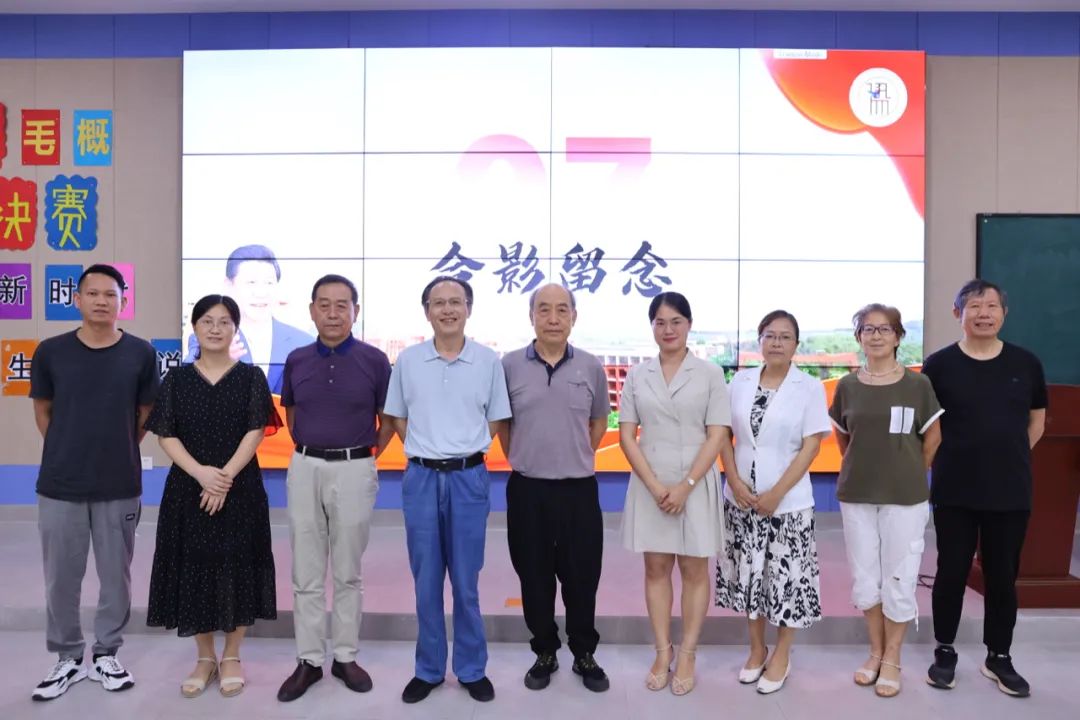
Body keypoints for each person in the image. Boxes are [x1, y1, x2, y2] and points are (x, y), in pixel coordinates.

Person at [29, 264, 159, 701]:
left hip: (119, 483)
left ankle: (106, 653)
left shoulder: (140, 353)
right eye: (93, 293)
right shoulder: (51, 351)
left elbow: (144, 414)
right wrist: (68, 447)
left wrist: (115, 447)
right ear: (77, 299)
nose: (102, 301)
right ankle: (67, 656)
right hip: (59, 484)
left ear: (123, 301)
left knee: (115, 576)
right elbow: (43, 411)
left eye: (111, 294)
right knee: (60, 578)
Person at [383, 275, 512, 704]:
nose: (447, 309)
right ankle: (429, 669)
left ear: (468, 309)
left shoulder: (487, 361)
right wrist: (428, 450)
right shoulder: (409, 361)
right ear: (427, 312)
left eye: (456, 301)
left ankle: (472, 669)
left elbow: (496, 419)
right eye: (438, 303)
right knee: (426, 581)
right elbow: (397, 417)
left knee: (466, 581)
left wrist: (462, 450)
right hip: (421, 478)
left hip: (468, 479)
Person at [144, 294, 280, 698]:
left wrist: (224, 478)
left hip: (240, 488)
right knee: (194, 567)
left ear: (235, 328)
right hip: (188, 487)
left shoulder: (251, 377)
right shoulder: (177, 380)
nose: (215, 329)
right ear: (195, 328)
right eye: (207, 321)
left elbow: (256, 429)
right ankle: (204, 657)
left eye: (224, 322)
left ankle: (232, 654)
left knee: (239, 565)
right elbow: (165, 434)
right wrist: (202, 474)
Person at [922, 280, 1046, 698]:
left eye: (992, 306)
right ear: (958, 314)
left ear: (1004, 314)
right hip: (954, 487)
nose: (984, 313)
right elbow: (929, 426)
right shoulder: (939, 365)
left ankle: (999, 656)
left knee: (1002, 575)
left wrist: (1010, 455)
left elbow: (1037, 420)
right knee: (951, 571)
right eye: (974, 306)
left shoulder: (1026, 362)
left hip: (1010, 489)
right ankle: (944, 651)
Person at [276, 274, 393, 702]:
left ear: (355, 312)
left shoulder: (375, 360)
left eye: (342, 305)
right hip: (305, 466)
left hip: (354, 468)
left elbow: (388, 421)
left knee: (348, 571)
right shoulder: (296, 359)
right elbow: (292, 415)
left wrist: (362, 456)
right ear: (311, 311)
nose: (332, 313)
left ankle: (345, 657)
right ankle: (309, 660)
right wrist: (313, 450)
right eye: (323, 305)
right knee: (305, 572)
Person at [497, 284, 611, 693]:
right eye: (543, 310)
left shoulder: (591, 366)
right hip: (528, 490)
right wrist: (528, 458)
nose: (553, 318)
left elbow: (599, 422)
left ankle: (583, 652)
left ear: (573, 318)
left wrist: (572, 456)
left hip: (579, 490)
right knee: (534, 575)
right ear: (531, 317)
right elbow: (504, 426)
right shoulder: (509, 365)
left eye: (562, 310)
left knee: (583, 577)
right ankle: (544, 651)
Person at [619, 291, 729, 697]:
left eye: (676, 321)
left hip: (695, 482)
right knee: (656, 568)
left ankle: (688, 653)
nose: (668, 330)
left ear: (689, 325)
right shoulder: (638, 375)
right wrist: (654, 486)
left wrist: (686, 486)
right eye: (660, 322)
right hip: (651, 480)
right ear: (652, 327)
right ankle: (662, 651)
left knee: (695, 570)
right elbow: (627, 435)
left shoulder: (710, 374)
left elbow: (717, 434)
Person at [830, 304, 943, 699]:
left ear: (897, 336)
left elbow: (933, 438)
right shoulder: (847, 386)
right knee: (865, 579)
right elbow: (844, 438)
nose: (875, 335)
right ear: (858, 337)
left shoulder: (917, 385)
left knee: (899, 576)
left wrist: (908, 471)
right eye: (867, 329)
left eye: (884, 329)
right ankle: (875, 652)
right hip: (857, 495)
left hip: (905, 498)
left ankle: (893, 657)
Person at [715, 310, 830, 695]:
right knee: (749, 576)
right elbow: (723, 435)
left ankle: (782, 653)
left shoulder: (809, 388)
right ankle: (755, 649)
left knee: (786, 580)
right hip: (742, 501)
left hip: (788, 504)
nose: (776, 342)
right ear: (759, 340)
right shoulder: (740, 382)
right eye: (770, 335)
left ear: (796, 344)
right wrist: (733, 480)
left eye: (785, 336)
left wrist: (777, 492)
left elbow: (811, 446)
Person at [185, 244, 312, 393]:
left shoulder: (304, 343)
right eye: (251, 283)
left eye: (269, 283)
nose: (261, 293)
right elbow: (181, 389)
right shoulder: (207, 340)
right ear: (228, 285)